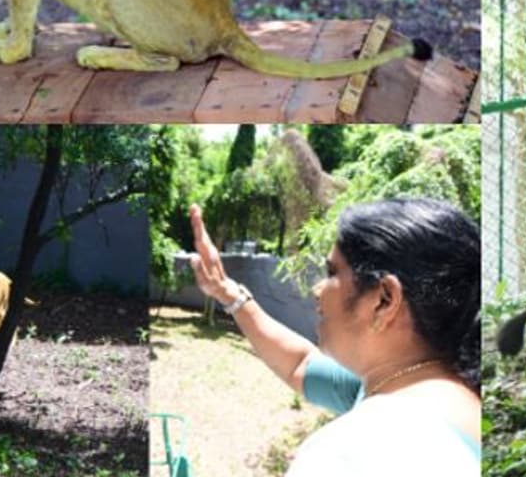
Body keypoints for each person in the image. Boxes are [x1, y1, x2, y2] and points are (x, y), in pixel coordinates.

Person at [188, 197, 481, 476]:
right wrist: (228, 294)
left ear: (384, 300)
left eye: (331, 272)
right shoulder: (443, 395)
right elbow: (300, 365)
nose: (318, 290)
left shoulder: (352, 452)